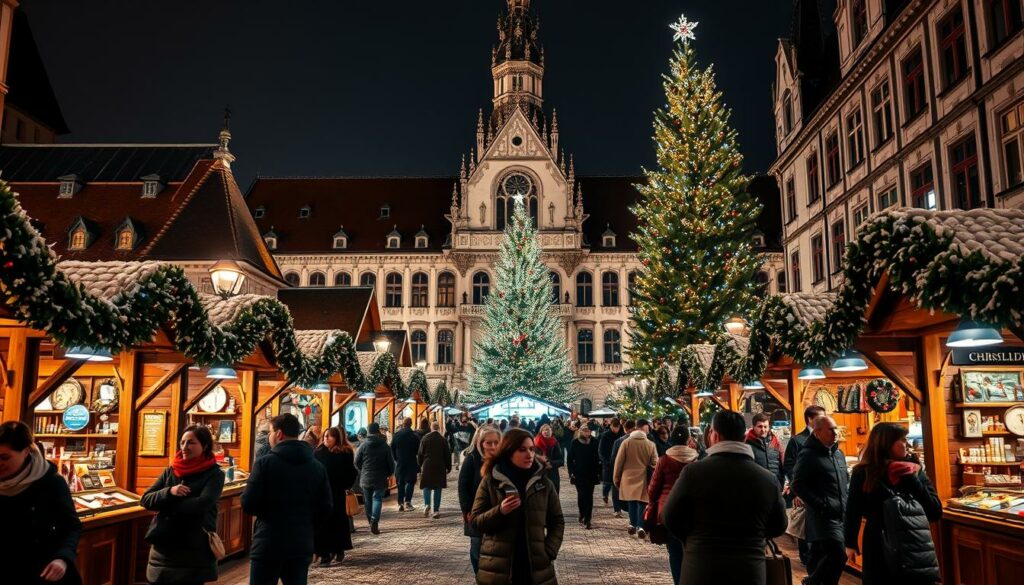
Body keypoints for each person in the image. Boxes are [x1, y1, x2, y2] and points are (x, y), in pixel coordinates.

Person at [661, 410, 788, 585]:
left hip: (702, 567)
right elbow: (779, 525)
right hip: (749, 569)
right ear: (744, 438)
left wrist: (693, 539)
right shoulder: (767, 479)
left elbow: (670, 516)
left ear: (715, 436)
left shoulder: (693, 473)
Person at [844, 423, 941, 584]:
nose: (907, 444)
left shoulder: (914, 470)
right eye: (902, 440)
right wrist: (850, 543)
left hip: (913, 544)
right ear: (886, 443)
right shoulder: (864, 472)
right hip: (878, 544)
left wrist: (912, 480)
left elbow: (935, 511)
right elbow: (853, 509)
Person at [242, 413, 332, 585]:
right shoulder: (317, 467)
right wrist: (307, 525)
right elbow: (325, 507)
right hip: (301, 542)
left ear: (278, 434)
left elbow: (248, 503)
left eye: (270, 432)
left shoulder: (264, 464)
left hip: (268, 542)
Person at [470, 428, 565, 585]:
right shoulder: (491, 481)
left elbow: (557, 521)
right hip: (498, 569)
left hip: (535, 567)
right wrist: (500, 511)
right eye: (522, 450)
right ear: (509, 452)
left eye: (531, 449)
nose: (529, 454)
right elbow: (475, 523)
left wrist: (548, 551)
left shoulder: (543, 483)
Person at [141, 424, 225, 585]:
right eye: (182, 442)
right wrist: (169, 492)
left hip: (193, 551)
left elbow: (203, 504)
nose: (185, 447)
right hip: (163, 550)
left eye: (191, 442)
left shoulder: (215, 474)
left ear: (205, 445)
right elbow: (146, 499)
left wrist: (166, 506)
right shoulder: (171, 471)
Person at [0, 421, 82, 585]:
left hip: (43, 572)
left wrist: (63, 558)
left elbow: (72, 526)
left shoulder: (51, 483)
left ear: (26, 452)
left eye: (4, 457)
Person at [792, 415, 849, 585]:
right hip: (823, 516)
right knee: (839, 555)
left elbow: (844, 479)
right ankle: (812, 582)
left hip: (841, 514)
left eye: (836, 428)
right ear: (817, 432)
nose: (835, 432)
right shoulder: (808, 455)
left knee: (821, 556)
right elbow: (798, 485)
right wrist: (821, 504)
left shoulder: (839, 453)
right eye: (831, 429)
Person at [647, 426, 698, 585]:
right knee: (691, 551)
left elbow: (653, 489)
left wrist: (653, 502)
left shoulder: (664, 460)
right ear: (688, 440)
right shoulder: (696, 460)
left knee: (674, 553)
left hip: (668, 510)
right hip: (691, 511)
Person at [783, 405, 826, 565]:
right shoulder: (797, 440)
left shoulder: (826, 438)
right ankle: (807, 562)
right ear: (810, 419)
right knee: (805, 528)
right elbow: (789, 466)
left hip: (822, 493)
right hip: (804, 492)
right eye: (821, 417)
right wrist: (797, 492)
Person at [459, 424, 501, 575]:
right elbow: (463, 485)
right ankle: (480, 577)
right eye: (488, 442)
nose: (493, 446)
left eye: (496, 442)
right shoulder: (472, 459)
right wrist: (466, 509)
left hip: (499, 512)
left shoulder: (503, 461)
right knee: (477, 548)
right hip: (476, 512)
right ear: (480, 442)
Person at [313, 427, 357, 567]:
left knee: (336, 522)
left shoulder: (345, 453)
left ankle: (338, 548)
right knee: (322, 524)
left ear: (337, 438)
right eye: (325, 436)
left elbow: (351, 472)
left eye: (330, 436)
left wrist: (345, 486)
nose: (326, 438)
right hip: (321, 494)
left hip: (337, 494)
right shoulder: (318, 452)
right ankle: (324, 554)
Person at [613, 418, 658, 538]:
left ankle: (632, 524)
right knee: (642, 502)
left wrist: (616, 478)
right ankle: (641, 526)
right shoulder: (650, 444)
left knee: (631, 501)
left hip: (627, 477)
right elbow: (655, 462)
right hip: (644, 477)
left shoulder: (626, 443)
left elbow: (619, 462)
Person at [354, 422, 395, 534]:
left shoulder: (363, 445)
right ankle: (374, 521)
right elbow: (391, 463)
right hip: (380, 477)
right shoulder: (384, 445)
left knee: (367, 500)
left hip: (366, 477)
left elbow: (356, 461)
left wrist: (362, 470)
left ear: (368, 431)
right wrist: (390, 473)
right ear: (378, 431)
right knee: (377, 498)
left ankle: (370, 522)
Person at [567, 424, 601, 529]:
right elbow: (570, 459)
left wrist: (599, 471)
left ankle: (588, 519)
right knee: (581, 495)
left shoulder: (595, 442)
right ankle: (582, 513)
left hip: (591, 473)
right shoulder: (575, 442)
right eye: (585, 430)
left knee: (589, 496)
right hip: (579, 473)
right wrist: (571, 472)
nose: (587, 432)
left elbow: (598, 458)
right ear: (581, 431)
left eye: (588, 431)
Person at [418, 421, 451, 518]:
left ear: (431, 428)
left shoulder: (425, 438)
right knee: (438, 488)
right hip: (440, 465)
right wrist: (448, 467)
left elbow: (420, 453)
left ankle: (427, 504)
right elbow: (447, 454)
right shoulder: (442, 439)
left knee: (427, 486)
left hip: (427, 465)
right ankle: (436, 510)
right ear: (439, 428)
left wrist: (420, 465)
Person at [745, 412, 785, 489]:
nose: (763, 430)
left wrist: (781, 485)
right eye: (760, 426)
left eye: (765, 427)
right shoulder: (747, 445)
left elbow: (782, 465)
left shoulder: (775, 443)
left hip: (775, 488)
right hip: (757, 489)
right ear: (753, 427)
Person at [390, 417, 421, 512]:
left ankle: (400, 503)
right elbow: (418, 450)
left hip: (400, 462)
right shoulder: (415, 436)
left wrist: (396, 458)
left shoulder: (397, 435)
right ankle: (408, 501)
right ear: (411, 424)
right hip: (411, 461)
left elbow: (392, 448)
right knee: (411, 481)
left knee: (400, 482)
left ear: (403, 424)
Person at [599, 417, 625, 516]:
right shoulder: (605, 435)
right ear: (610, 426)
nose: (615, 429)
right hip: (608, 465)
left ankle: (617, 509)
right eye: (614, 427)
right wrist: (606, 462)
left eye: (617, 427)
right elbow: (601, 451)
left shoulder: (622, 436)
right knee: (607, 484)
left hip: (618, 465)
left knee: (615, 488)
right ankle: (605, 494)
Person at [533, 423, 564, 493]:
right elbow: (531, 459)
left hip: (553, 474)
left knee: (554, 495)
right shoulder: (535, 443)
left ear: (551, 432)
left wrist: (551, 463)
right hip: (539, 474)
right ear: (541, 432)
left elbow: (561, 460)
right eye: (544, 430)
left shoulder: (555, 443)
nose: (546, 432)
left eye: (548, 430)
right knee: (541, 497)